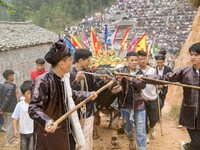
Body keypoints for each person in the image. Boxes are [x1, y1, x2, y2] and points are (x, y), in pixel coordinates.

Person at [28, 39, 97, 150]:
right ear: (61, 63)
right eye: (70, 60)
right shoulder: (43, 81)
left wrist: (87, 95)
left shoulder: (63, 78)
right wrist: (46, 120)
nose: (72, 63)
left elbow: (71, 95)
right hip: (51, 132)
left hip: (66, 130)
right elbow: (34, 108)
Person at [146, 43, 200, 150]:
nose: (193, 57)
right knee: (198, 143)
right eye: (191, 54)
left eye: (196, 55)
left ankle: (187, 146)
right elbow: (164, 78)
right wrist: (144, 77)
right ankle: (187, 146)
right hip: (191, 113)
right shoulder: (184, 71)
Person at [70, 49, 113, 150]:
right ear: (81, 60)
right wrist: (76, 81)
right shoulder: (69, 73)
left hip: (88, 109)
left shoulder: (88, 72)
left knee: (87, 136)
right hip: (74, 110)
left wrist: (103, 82)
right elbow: (68, 92)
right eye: (88, 60)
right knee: (75, 137)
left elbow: (94, 87)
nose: (89, 63)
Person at [116, 51, 146, 150]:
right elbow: (114, 80)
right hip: (125, 104)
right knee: (127, 127)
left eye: (136, 60)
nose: (134, 62)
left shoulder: (140, 72)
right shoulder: (120, 70)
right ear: (127, 61)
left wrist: (131, 79)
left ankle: (142, 147)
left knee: (141, 130)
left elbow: (142, 85)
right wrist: (117, 80)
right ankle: (131, 139)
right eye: (132, 60)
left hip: (139, 105)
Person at [137, 50, 158, 143]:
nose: (142, 61)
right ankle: (146, 134)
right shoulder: (136, 70)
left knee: (154, 119)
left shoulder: (153, 70)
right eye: (140, 59)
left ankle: (152, 128)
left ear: (147, 58)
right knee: (143, 119)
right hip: (141, 99)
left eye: (143, 59)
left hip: (152, 97)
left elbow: (157, 82)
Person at [12, 80, 34, 150]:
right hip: (23, 132)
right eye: (29, 93)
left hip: (33, 131)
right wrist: (15, 129)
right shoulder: (20, 105)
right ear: (23, 94)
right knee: (23, 148)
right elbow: (15, 118)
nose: (32, 95)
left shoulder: (36, 105)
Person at [0, 69, 18, 146]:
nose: (13, 77)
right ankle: (10, 141)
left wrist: (1, 108)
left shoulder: (3, 85)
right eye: (12, 75)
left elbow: (2, 97)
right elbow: (7, 99)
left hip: (5, 109)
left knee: (8, 124)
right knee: (10, 124)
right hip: (9, 109)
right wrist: (2, 109)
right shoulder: (11, 87)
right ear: (10, 76)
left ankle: (9, 138)